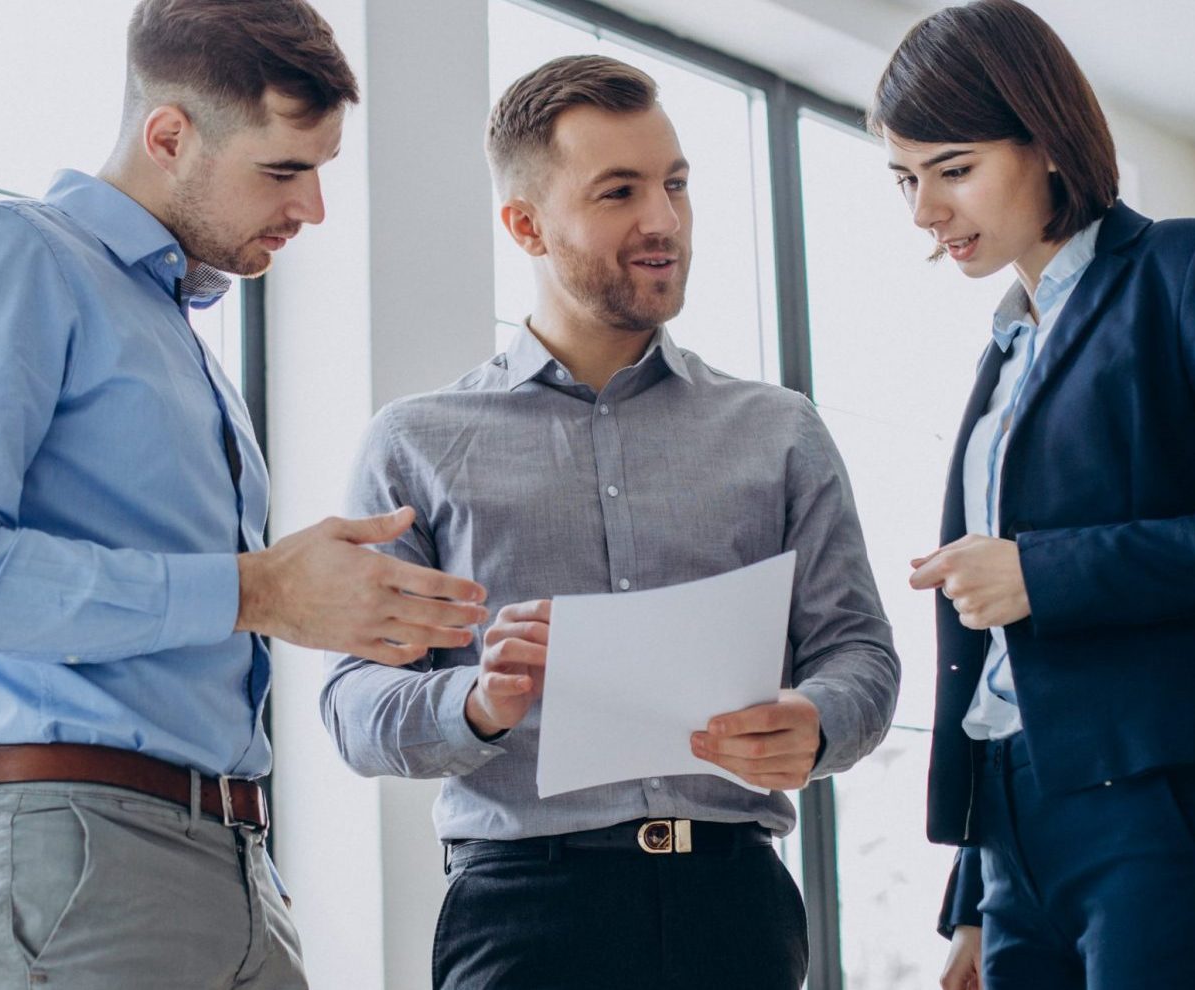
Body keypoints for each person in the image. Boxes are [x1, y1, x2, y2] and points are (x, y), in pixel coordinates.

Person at [0, 1, 488, 986]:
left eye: (320, 170)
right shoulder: (16, 256)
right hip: (81, 862)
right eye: (283, 170)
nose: (313, 208)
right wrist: (258, 591)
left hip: (235, 866)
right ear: (168, 137)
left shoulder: (173, 333)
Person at [319, 55, 900, 990]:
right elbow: (353, 704)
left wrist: (815, 721)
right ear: (526, 225)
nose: (663, 221)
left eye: (676, 184)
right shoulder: (414, 443)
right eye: (619, 192)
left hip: (736, 907)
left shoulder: (779, 430)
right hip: (523, 915)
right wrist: (475, 704)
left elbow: (860, 654)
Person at [873, 2, 1195, 987]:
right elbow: (1004, 669)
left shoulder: (1193, 267)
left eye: (953, 169)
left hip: (1163, 806)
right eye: (905, 178)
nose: (924, 211)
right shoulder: (1004, 350)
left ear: (1046, 140)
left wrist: (1040, 573)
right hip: (1014, 834)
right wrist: (976, 892)